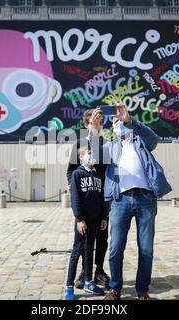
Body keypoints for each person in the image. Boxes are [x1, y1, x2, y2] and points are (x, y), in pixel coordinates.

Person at [103, 104, 172, 300]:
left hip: (145, 198)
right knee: (116, 247)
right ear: (112, 126)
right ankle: (115, 288)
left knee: (146, 247)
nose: (119, 122)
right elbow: (92, 155)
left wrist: (130, 121)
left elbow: (154, 138)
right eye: (115, 120)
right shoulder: (110, 146)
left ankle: (142, 290)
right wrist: (93, 128)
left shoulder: (141, 140)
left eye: (121, 119)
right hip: (121, 199)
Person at [66, 108, 110, 289]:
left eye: (100, 121)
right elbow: (70, 171)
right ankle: (85, 272)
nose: (97, 124)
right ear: (86, 124)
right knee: (85, 238)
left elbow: (107, 172)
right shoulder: (78, 144)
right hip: (85, 199)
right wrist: (73, 185)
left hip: (101, 198)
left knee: (102, 236)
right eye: (94, 121)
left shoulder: (104, 144)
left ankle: (98, 270)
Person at [65, 146, 108, 300]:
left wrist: (104, 217)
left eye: (92, 153)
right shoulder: (77, 174)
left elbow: (102, 198)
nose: (90, 156)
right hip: (83, 221)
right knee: (77, 252)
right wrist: (79, 219)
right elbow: (75, 199)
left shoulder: (98, 175)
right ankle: (69, 286)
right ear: (81, 157)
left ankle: (89, 282)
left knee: (90, 251)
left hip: (96, 220)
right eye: (87, 154)